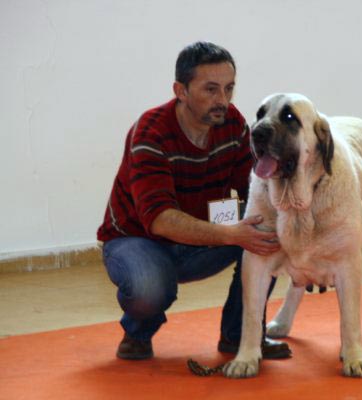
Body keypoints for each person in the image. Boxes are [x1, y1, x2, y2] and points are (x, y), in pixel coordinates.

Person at [97, 41, 291, 360]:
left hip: (205, 232)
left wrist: (303, 235)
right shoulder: (150, 131)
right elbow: (159, 219)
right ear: (181, 90)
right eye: (211, 90)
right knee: (149, 286)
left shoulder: (233, 124)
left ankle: (242, 336)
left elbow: (256, 190)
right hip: (137, 239)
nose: (223, 100)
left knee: (269, 230)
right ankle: (138, 333)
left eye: (229, 89)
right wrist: (232, 234)